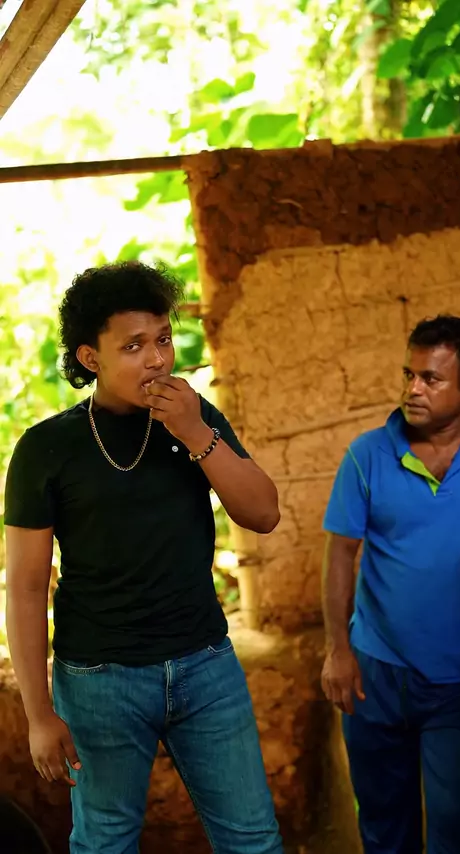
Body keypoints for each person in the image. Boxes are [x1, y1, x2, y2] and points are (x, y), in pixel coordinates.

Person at [5, 261, 283, 854]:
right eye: (133, 346)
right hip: (99, 681)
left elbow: (263, 514)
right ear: (90, 358)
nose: (157, 359)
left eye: (162, 339)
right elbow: (26, 588)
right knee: (105, 842)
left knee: (253, 840)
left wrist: (196, 433)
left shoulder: (195, 419)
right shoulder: (47, 448)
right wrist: (39, 714)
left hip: (205, 667)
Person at [321, 314, 460, 854]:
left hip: (459, 681)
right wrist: (338, 651)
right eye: (409, 375)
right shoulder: (367, 455)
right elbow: (340, 554)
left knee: (454, 822)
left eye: (431, 378)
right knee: (385, 822)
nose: (414, 389)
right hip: (375, 673)